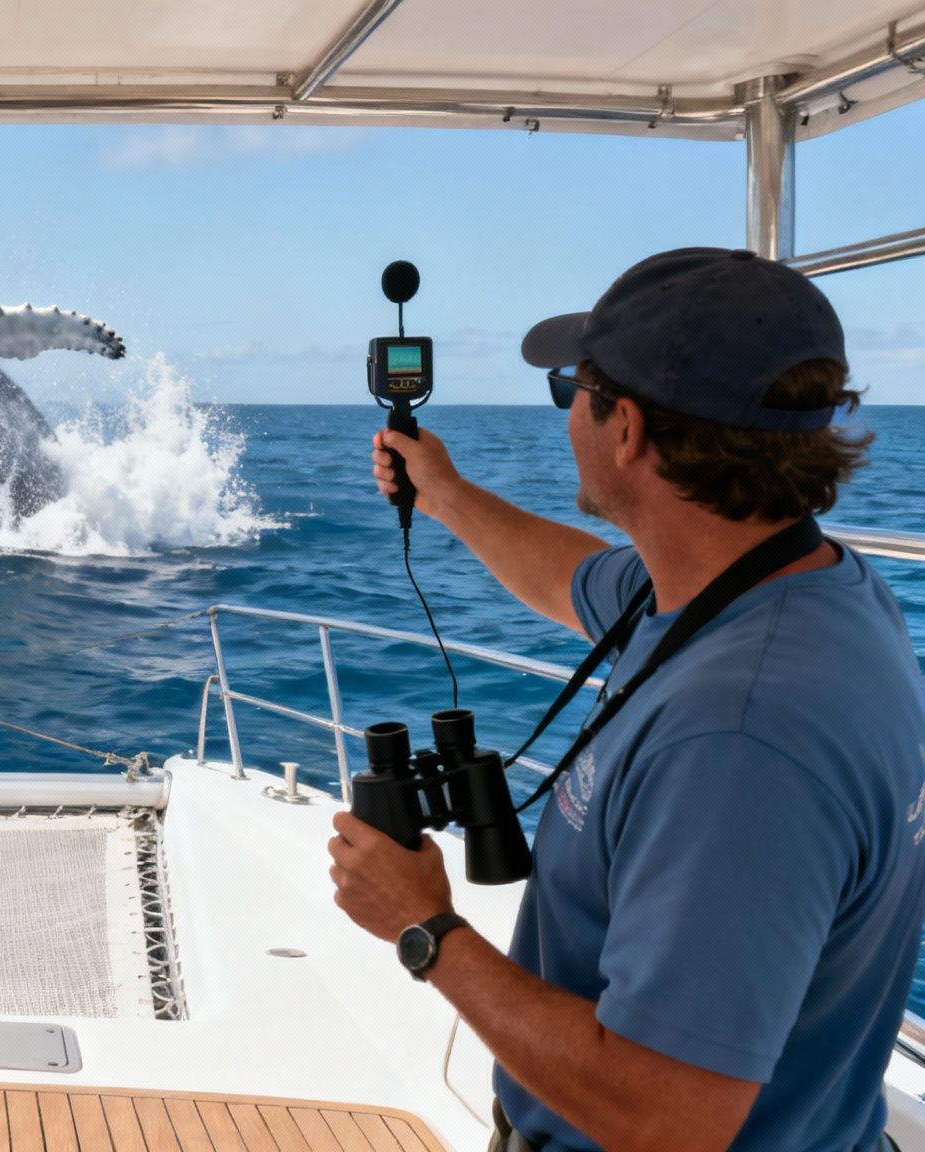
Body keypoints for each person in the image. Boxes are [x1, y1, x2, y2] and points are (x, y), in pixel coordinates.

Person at [329, 247, 925, 1151]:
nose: (567, 410)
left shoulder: (740, 739)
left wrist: (426, 928)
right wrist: (444, 495)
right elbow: (571, 576)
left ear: (627, 429)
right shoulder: (785, 582)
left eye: (576, 386)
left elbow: (668, 1119)